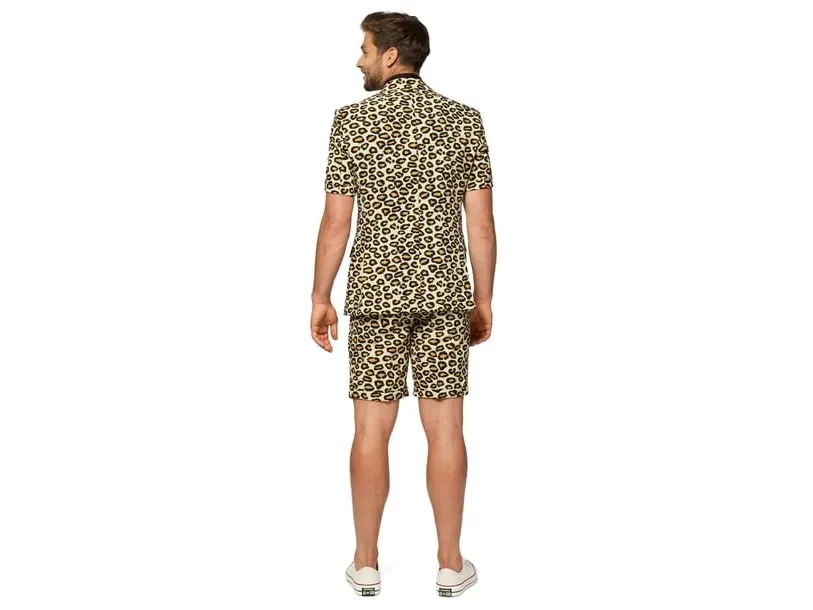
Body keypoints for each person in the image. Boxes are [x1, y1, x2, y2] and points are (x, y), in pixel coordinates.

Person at [310, 11, 496, 598]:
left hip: (374, 294)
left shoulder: (352, 123)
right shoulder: (464, 120)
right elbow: (481, 223)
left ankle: (365, 562)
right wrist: (483, 298)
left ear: (391, 56)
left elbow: (336, 223)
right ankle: (450, 564)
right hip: (444, 294)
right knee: (446, 429)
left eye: (366, 49)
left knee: (371, 428)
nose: (359, 59)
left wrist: (320, 295)